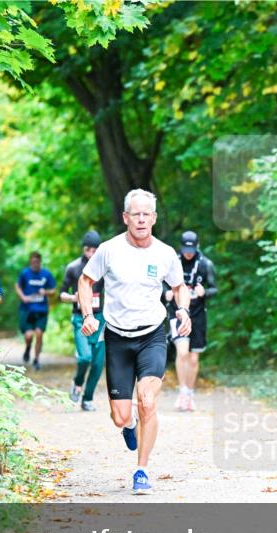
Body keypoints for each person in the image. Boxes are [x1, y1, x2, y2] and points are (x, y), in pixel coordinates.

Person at [79, 189, 190, 495]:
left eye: (146, 214)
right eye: (135, 214)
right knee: (121, 416)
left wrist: (182, 309)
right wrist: (89, 314)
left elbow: (179, 287)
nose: (141, 219)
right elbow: (86, 281)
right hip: (117, 337)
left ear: (154, 218)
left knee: (148, 401)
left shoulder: (165, 253)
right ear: (125, 217)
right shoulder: (109, 250)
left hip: (152, 335)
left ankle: (141, 470)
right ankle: (129, 426)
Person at [163, 230, 216, 411]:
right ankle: (182, 391)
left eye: (191, 249)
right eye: (185, 248)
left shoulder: (205, 264)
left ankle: (190, 394)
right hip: (177, 312)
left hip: (198, 314)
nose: (188, 252)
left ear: (197, 246)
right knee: (182, 352)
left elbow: (214, 288)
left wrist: (205, 292)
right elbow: (161, 283)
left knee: (193, 358)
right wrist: (166, 293)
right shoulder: (173, 263)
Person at [60, 231, 105, 411]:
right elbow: (61, 294)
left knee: (97, 362)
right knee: (85, 357)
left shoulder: (104, 269)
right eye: (88, 249)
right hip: (80, 318)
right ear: (83, 249)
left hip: (100, 319)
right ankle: (77, 383)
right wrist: (74, 298)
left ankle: (87, 398)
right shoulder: (73, 268)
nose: (91, 253)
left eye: (95, 250)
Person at [15, 251, 56, 371]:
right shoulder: (25, 273)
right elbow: (17, 286)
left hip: (41, 310)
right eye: (33, 261)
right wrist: (23, 297)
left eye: (37, 262)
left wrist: (46, 292)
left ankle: (36, 359)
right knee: (28, 336)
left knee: (39, 334)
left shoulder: (46, 274)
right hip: (26, 310)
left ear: (40, 262)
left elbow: (53, 291)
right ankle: (28, 348)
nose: (35, 264)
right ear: (30, 262)